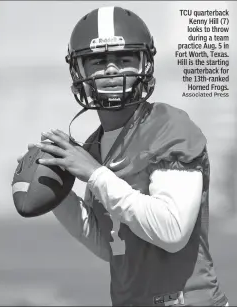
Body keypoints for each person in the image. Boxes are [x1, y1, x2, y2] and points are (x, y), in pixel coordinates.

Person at [19, 6, 229, 306]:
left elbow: (172, 231)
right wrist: (56, 192)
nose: (111, 69)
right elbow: (112, 247)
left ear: (144, 64)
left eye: (124, 58)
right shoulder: (93, 147)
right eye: (99, 60)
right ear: (79, 70)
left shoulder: (169, 126)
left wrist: (95, 174)